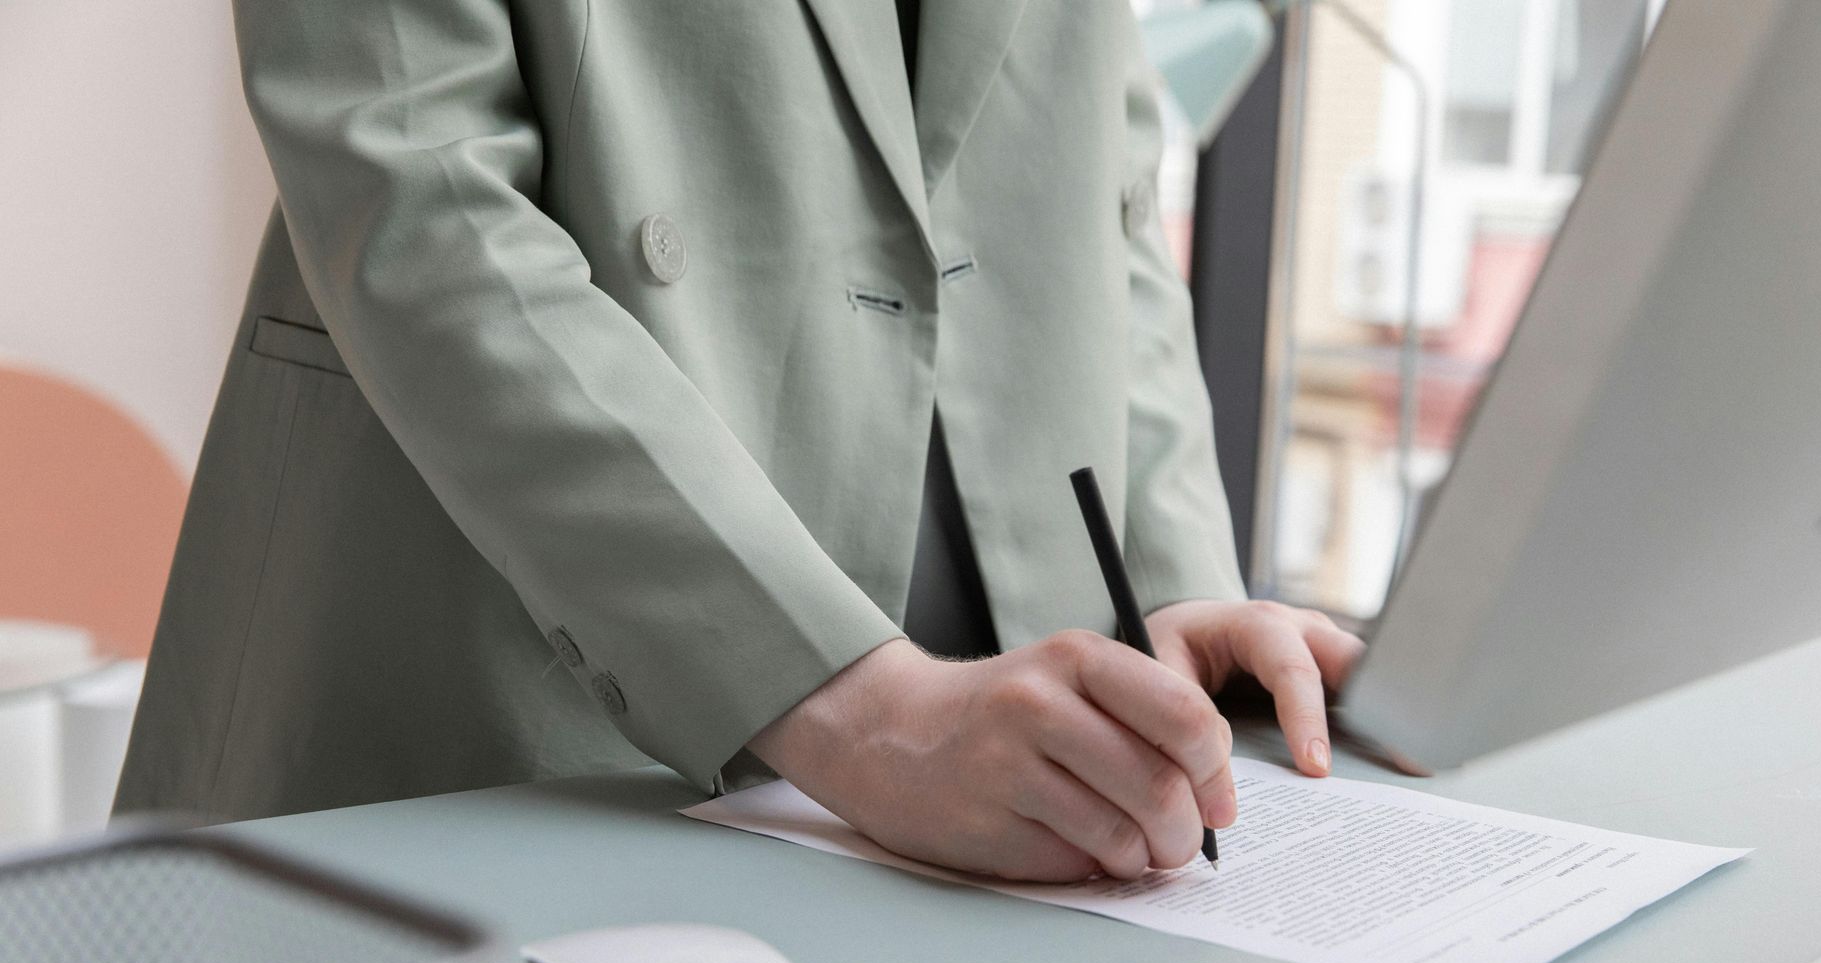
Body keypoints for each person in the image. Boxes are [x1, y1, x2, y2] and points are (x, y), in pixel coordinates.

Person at [118, 0, 1364, 883]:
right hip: (502, 715)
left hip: (999, 789)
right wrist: (866, 713)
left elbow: (1106, 173)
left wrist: (1165, 583)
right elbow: (418, 200)